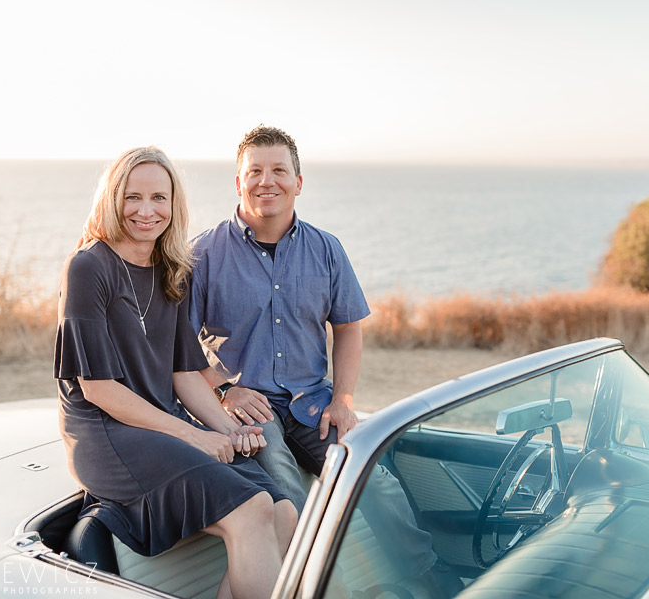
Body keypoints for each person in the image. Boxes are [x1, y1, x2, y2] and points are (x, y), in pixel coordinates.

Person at [188, 126, 463, 597]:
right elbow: (180, 346)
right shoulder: (203, 253)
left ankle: (431, 583)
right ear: (238, 182)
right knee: (289, 498)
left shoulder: (326, 249)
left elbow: (348, 328)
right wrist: (222, 390)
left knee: (377, 482)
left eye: (278, 170)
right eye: (254, 171)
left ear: (299, 181)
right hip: (248, 409)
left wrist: (343, 398)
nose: (266, 181)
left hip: (312, 402)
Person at [55, 146, 297, 599]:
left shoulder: (173, 271)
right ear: (112, 199)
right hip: (108, 434)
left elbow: (185, 373)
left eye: (159, 198)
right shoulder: (89, 266)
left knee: (283, 513)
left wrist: (228, 427)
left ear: (173, 203)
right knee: (251, 510)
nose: (146, 211)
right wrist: (197, 436)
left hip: (162, 425)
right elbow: (99, 389)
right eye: (132, 197)